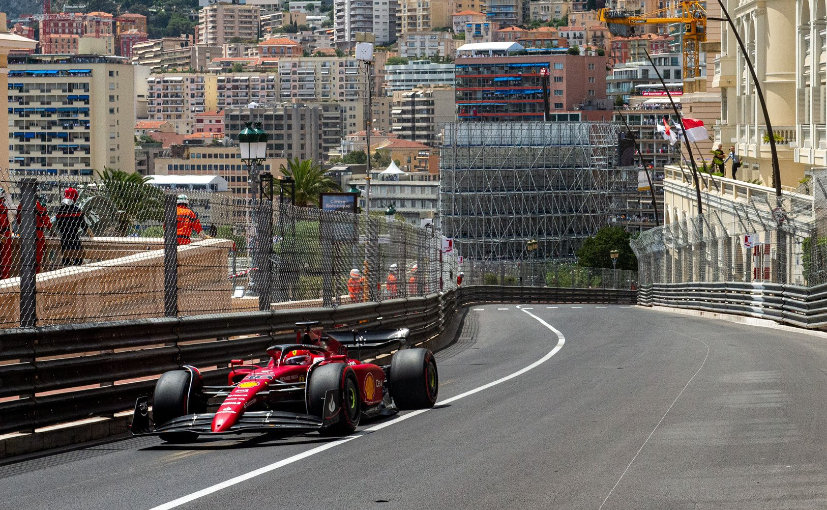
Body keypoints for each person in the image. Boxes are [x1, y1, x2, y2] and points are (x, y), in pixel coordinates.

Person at [53, 188, 90, 266]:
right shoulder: (77, 210)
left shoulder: (59, 210)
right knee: (78, 262)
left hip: (64, 239)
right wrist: (92, 236)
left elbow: (57, 225)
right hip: (74, 239)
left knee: (66, 262)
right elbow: (84, 226)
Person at [16, 196, 52, 273]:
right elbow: (45, 219)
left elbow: (18, 220)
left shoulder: (21, 205)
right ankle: (35, 274)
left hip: (26, 233)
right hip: (38, 233)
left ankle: (27, 274)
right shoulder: (39, 205)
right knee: (37, 257)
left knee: (26, 256)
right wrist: (51, 230)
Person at [0, 188, 12, 279]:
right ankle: (4, 279)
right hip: (3, 234)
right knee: (5, 260)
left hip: (3, 233)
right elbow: (3, 223)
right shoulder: (2, 206)